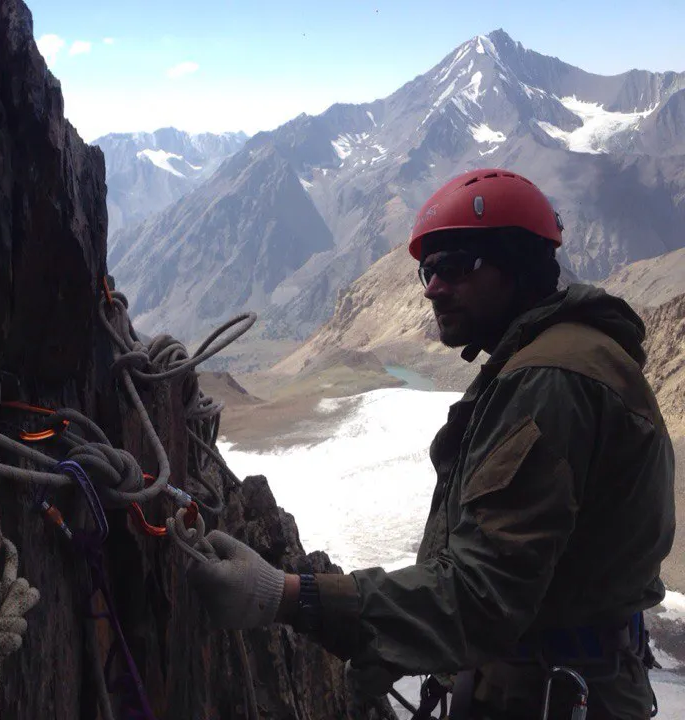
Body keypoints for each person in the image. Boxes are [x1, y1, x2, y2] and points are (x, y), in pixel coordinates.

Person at [177, 169, 676, 719]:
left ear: (515, 266)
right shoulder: (561, 360)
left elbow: (481, 595)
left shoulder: (549, 383)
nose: (432, 288)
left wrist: (285, 595)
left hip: (548, 698)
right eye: (428, 271)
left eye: (455, 267)